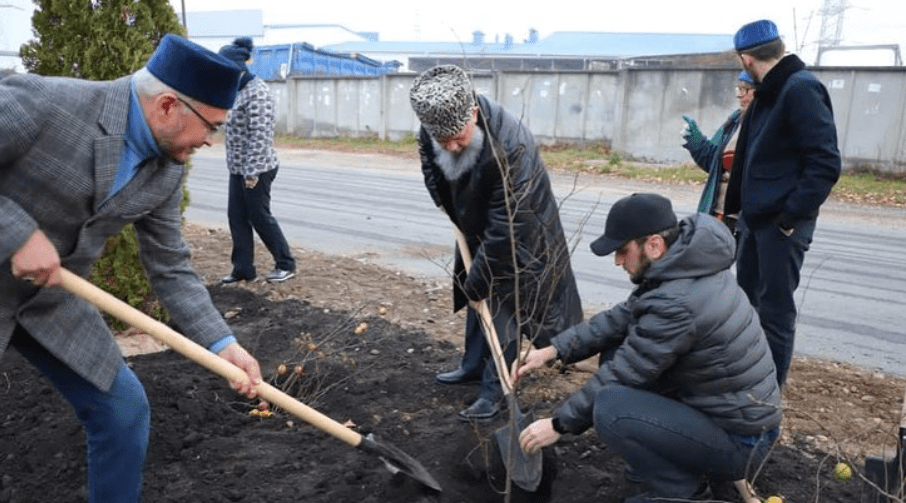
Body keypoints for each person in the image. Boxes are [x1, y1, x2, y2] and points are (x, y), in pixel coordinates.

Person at [1, 34, 264, 503]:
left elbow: (170, 264)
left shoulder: (167, 169)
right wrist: (17, 232)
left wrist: (222, 344)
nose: (210, 140)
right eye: (211, 126)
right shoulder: (47, 103)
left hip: (50, 300)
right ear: (167, 105)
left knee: (122, 411)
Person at [513, 193, 782, 503]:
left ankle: (682, 492)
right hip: (732, 418)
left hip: (742, 443)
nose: (617, 261)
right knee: (614, 355)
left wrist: (558, 424)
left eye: (622, 251)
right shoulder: (686, 264)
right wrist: (552, 350)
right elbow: (621, 318)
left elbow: (625, 374)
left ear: (654, 245)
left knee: (611, 408)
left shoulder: (677, 302)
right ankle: (661, 463)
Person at [408, 64, 583, 422]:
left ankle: (496, 389)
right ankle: (472, 365)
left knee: (503, 302)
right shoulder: (434, 128)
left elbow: (507, 228)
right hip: (475, 221)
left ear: (473, 112)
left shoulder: (512, 145)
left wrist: (480, 277)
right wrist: (443, 202)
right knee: (474, 292)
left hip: (523, 232)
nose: (453, 146)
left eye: (459, 137)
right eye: (445, 142)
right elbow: (430, 162)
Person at [726, 19, 842, 387]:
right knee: (746, 306)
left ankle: (768, 393)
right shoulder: (770, 90)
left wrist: (790, 217)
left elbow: (825, 163)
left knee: (775, 313)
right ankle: (747, 379)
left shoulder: (800, 88)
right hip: (755, 221)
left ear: (746, 58)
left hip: (780, 225)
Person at [217, 37, 296, 284]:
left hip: (258, 168)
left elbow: (260, 135)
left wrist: (252, 174)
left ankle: (286, 264)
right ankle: (243, 269)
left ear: (236, 67)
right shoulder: (235, 91)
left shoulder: (257, 92)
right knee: (237, 217)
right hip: (238, 168)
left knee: (259, 217)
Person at [681, 70, 756, 228]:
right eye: (738, 88)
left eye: (746, 89)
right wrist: (695, 140)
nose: (739, 95)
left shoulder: (771, 128)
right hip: (718, 212)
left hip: (746, 219)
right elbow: (712, 162)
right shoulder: (734, 122)